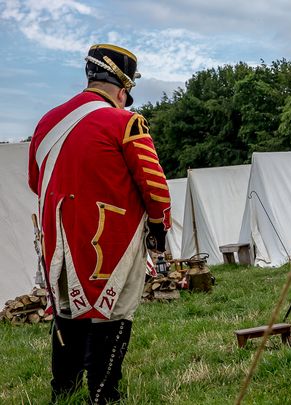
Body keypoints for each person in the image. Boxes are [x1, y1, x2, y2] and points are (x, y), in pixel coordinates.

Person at [27, 44, 171, 404]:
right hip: (110, 236)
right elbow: (154, 184)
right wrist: (158, 225)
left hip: (58, 237)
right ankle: (104, 394)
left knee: (66, 309)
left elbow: (34, 180)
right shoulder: (125, 121)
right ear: (123, 88)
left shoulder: (47, 122)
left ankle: (64, 390)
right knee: (114, 310)